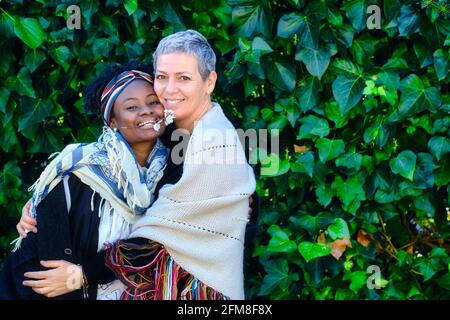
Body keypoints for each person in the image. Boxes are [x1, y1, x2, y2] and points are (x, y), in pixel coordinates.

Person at [14, 30, 258, 300]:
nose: (170, 89)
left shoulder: (213, 145)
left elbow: (155, 241)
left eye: (184, 78)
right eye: (162, 77)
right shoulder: (169, 139)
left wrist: (81, 275)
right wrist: (40, 204)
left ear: (209, 81)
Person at [0, 62, 172, 299]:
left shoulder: (175, 170)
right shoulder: (78, 168)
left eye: (153, 101)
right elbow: (47, 268)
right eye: (131, 106)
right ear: (112, 121)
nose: (146, 110)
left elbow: (156, 244)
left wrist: (84, 275)